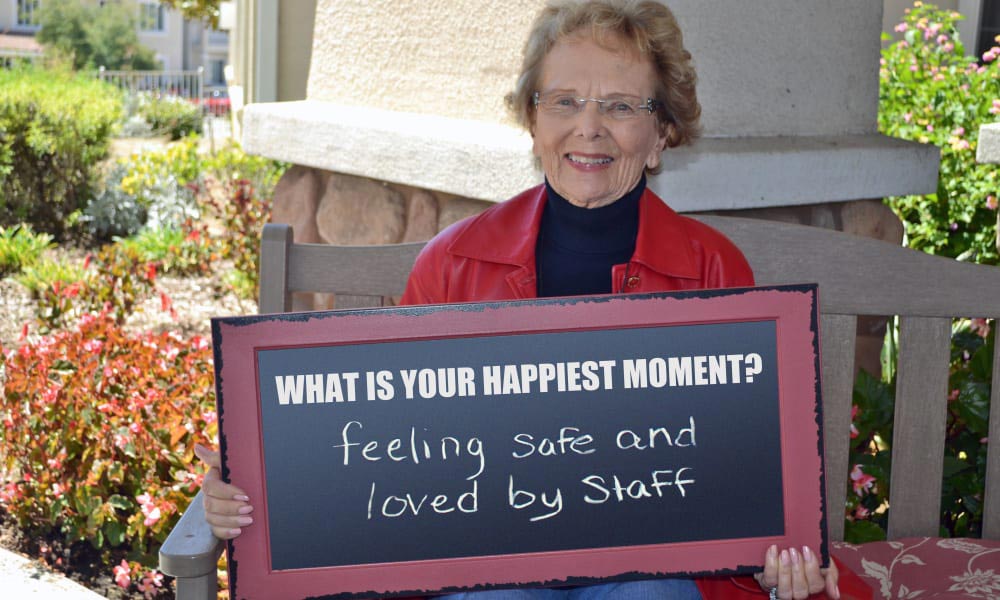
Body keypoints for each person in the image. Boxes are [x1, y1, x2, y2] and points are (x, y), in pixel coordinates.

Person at [197, 1, 840, 598]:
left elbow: (748, 460)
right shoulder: (450, 264)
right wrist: (259, 482)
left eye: (620, 107)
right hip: (492, 561)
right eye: (563, 101)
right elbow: (383, 441)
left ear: (662, 133)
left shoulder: (715, 268)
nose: (589, 129)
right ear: (532, 120)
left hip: (644, 566)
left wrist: (783, 555)